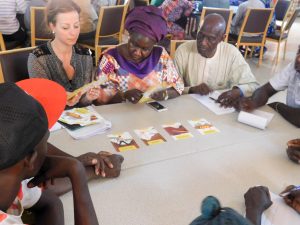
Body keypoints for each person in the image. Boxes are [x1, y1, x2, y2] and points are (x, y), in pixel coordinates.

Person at [0, 79, 100, 225]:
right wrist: (77, 175)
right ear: (30, 158)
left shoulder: (10, 182)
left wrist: (75, 166)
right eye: (46, 140)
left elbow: (51, 204)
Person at [96, 6, 184, 105]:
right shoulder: (110, 59)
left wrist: (165, 94)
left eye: (145, 49)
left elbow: (178, 87)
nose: (137, 52)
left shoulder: (161, 56)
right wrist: (123, 95)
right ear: (129, 35)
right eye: (134, 44)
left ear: (153, 45)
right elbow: (99, 97)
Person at [174, 14, 259, 108]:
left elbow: (253, 85)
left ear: (222, 38)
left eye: (210, 39)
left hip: (219, 109)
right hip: (188, 106)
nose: (203, 42)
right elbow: (171, 87)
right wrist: (191, 90)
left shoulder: (232, 53)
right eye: (201, 35)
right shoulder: (183, 50)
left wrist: (237, 91)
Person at [28, 0, 100, 107]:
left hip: (81, 119)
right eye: (65, 27)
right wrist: (60, 98)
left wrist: (88, 98)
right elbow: (41, 103)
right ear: (52, 26)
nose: (73, 32)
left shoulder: (85, 55)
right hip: (50, 120)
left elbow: (83, 103)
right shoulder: (38, 58)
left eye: (76, 26)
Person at [237, 46, 300, 128]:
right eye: (299, 51)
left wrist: (277, 105)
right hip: (290, 124)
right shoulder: (293, 68)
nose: (298, 59)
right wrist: (254, 102)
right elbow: (266, 90)